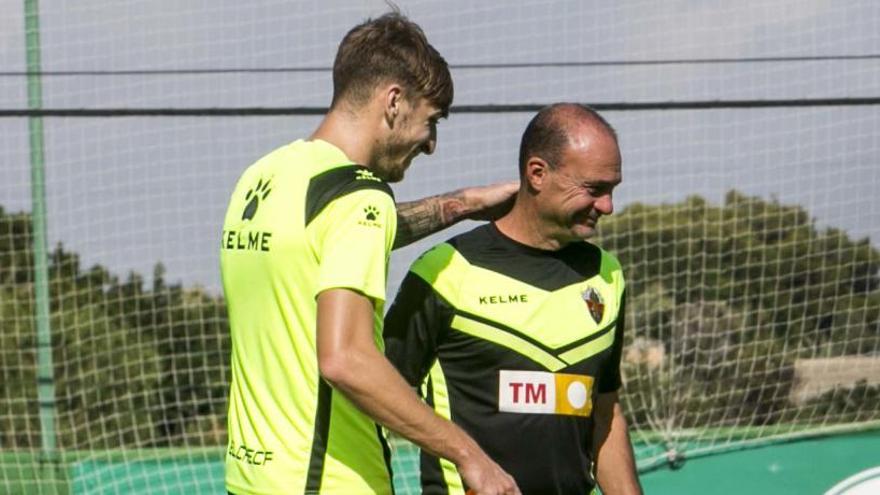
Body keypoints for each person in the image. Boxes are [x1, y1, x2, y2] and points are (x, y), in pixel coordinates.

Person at [219, 10, 520, 495]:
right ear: (394, 102)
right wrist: (470, 455)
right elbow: (345, 359)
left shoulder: (264, 177)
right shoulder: (360, 199)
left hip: (252, 478)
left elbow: (340, 237)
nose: (432, 145)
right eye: (431, 121)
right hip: (331, 483)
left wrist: (460, 205)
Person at [384, 103, 643, 495]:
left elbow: (604, 413)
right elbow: (378, 395)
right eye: (594, 189)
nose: (607, 206)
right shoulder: (445, 271)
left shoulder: (607, 276)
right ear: (537, 173)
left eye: (612, 190)